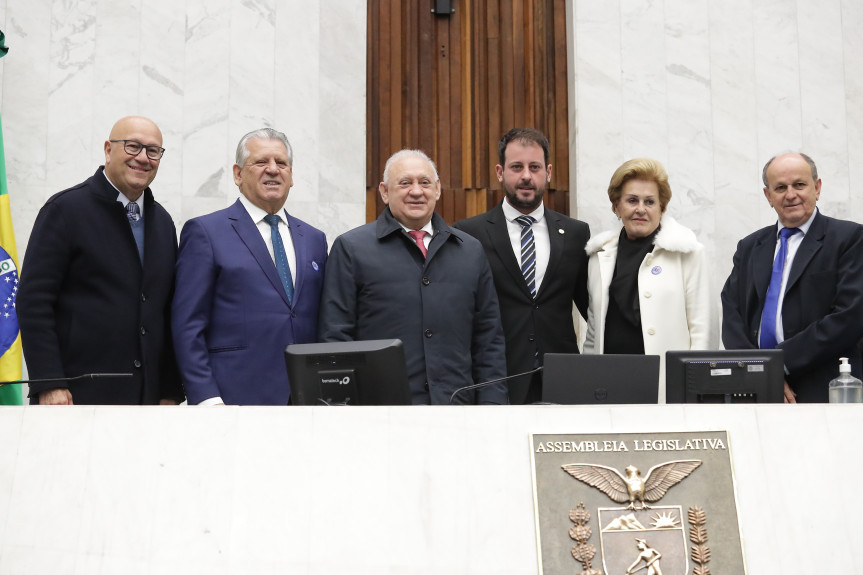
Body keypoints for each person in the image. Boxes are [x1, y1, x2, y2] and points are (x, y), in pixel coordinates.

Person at [318, 149, 507, 404]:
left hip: (457, 412)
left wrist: (493, 407)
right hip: (379, 414)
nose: (416, 191)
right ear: (385, 192)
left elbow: (489, 340)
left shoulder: (470, 251)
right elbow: (336, 337)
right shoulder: (351, 248)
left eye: (425, 182)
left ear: (438, 189)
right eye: (405, 183)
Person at [17, 116, 183, 405]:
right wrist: (49, 382)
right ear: (108, 150)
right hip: (75, 396)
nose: (143, 158)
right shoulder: (65, 210)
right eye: (132, 147)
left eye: (153, 151)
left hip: (149, 401)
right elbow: (34, 301)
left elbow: (165, 311)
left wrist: (169, 391)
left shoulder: (164, 223)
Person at [172, 128, 327, 405]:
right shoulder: (206, 232)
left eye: (281, 163)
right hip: (232, 398)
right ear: (237, 174)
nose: (272, 170)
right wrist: (206, 397)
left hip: (306, 400)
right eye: (260, 162)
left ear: (291, 176)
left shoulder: (315, 239)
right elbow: (187, 323)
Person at [453, 128, 590, 404]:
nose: (526, 175)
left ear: (548, 172)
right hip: (497, 380)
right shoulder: (469, 234)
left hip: (562, 379)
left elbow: (592, 309)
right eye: (517, 167)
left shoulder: (576, 233)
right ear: (500, 172)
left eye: (535, 167)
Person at [721, 152, 863, 402]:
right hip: (755, 388)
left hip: (825, 387)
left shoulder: (849, 238)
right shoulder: (750, 246)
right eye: (780, 187)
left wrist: (777, 365)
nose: (790, 194)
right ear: (768, 196)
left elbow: (850, 316)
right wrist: (758, 371)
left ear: (817, 188)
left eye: (799, 184)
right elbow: (732, 313)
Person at [583, 158, 716, 400]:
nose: (641, 209)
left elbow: (703, 332)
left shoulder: (688, 252)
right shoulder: (598, 256)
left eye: (650, 202)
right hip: (609, 385)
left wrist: (697, 392)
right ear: (616, 206)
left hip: (669, 387)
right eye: (632, 200)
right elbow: (593, 334)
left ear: (662, 208)